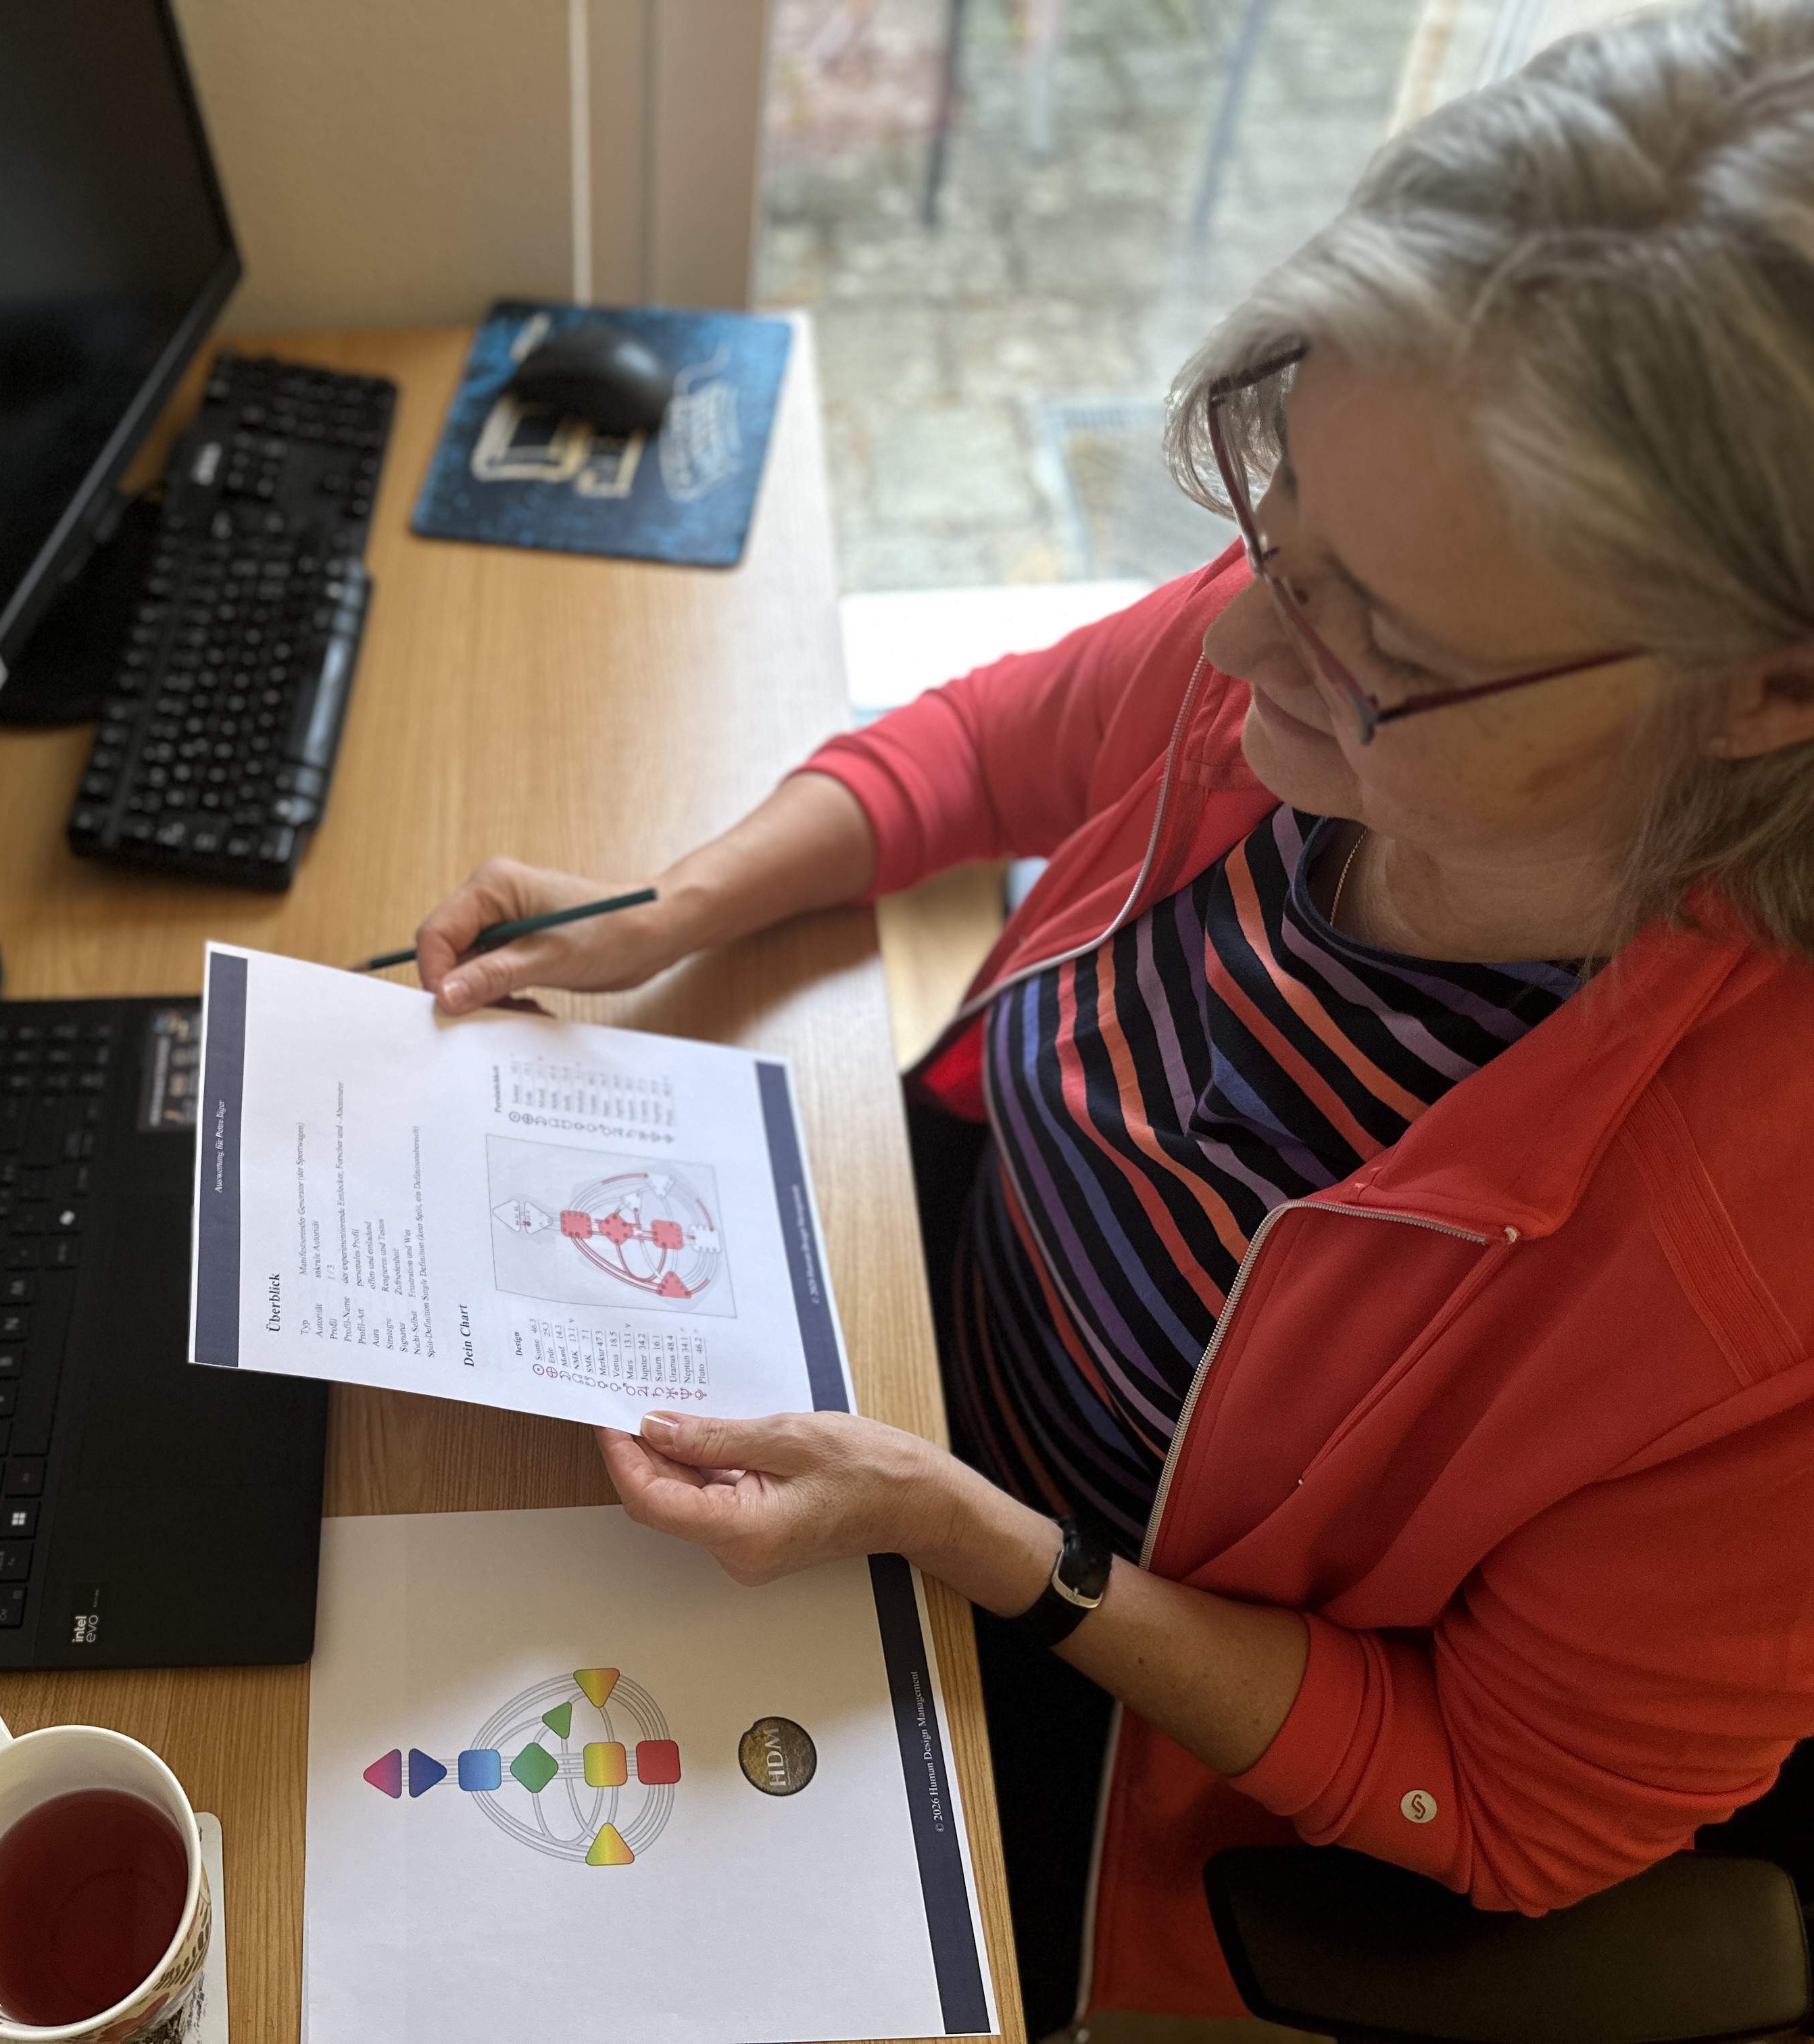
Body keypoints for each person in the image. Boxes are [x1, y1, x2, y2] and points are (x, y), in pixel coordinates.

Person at [412, 3, 1814, 2029]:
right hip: (916, 1323)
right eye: (1278, 521)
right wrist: (674, 906)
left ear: (1767, 694)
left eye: (1375, 643)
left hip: (1100, 1685)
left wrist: (987, 1545)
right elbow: (1000, 737)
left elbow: (1514, 1800)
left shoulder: (1759, 1299)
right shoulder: (1330, 643)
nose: (1243, 641)